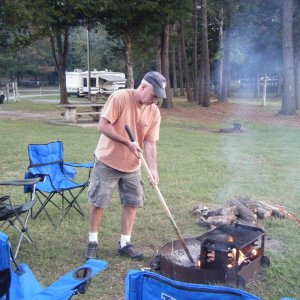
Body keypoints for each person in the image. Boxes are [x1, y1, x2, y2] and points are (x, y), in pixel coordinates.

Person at [84, 71, 167, 261]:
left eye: (158, 98)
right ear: (143, 86)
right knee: (99, 202)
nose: (154, 101)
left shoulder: (153, 111)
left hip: (133, 166)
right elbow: (103, 126)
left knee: (132, 202)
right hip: (108, 161)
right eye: (153, 96)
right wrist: (126, 142)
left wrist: (153, 169)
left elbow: (150, 142)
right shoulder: (120, 97)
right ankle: (93, 242)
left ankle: (124, 243)